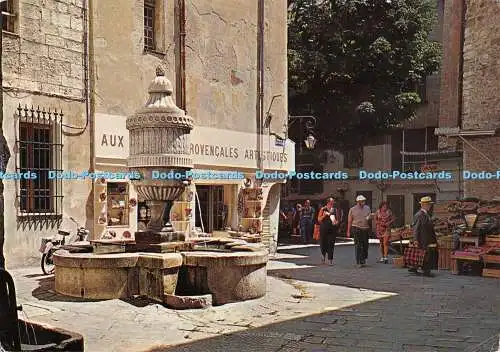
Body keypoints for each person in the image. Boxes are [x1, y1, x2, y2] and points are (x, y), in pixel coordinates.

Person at [410, 196, 438, 277]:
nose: (430, 206)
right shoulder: (419, 215)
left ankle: (424, 270)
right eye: (428, 204)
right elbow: (416, 228)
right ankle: (425, 271)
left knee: (426, 255)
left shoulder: (426, 214)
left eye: (430, 204)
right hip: (422, 239)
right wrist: (415, 240)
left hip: (427, 239)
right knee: (424, 255)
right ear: (423, 205)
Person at [347, 195, 371, 267]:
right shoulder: (352, 209)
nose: (364, 202)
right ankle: (359, 261)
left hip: (365, 228)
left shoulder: (367, 208)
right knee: (358, 245)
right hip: (356, 228)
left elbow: (369, 217)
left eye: (364, 201)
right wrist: (348, 231)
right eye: (362, 201)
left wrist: (370, 217)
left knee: (365, 245)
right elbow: (349, 221)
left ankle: (363, 259)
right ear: (358, 202)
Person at [318, 197, 341, 265]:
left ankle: (330, 260)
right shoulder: (323, 209)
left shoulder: (335, 210)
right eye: (331, 203)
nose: (332, 204)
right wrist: (324, 216)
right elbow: (319, 219)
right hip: (323, 229)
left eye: (333, 203)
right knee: (323, 243)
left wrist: (336, 222)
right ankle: (323, 258)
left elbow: (337, 220)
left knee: (331, 244)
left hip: (332, 229)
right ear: (328, 203)